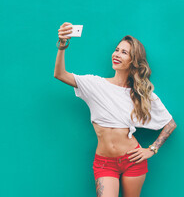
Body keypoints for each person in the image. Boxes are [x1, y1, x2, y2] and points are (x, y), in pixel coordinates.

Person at [54, 22, 177, 197]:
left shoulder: (140, 94)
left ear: (133, 61)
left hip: (132, 161)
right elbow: (60, 74)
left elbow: (170, 124)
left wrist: (152, 149)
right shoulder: (95, 84)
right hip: (104, 162)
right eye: (117, 50)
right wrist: (62, 45)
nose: (117, 54)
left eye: (124, 52)